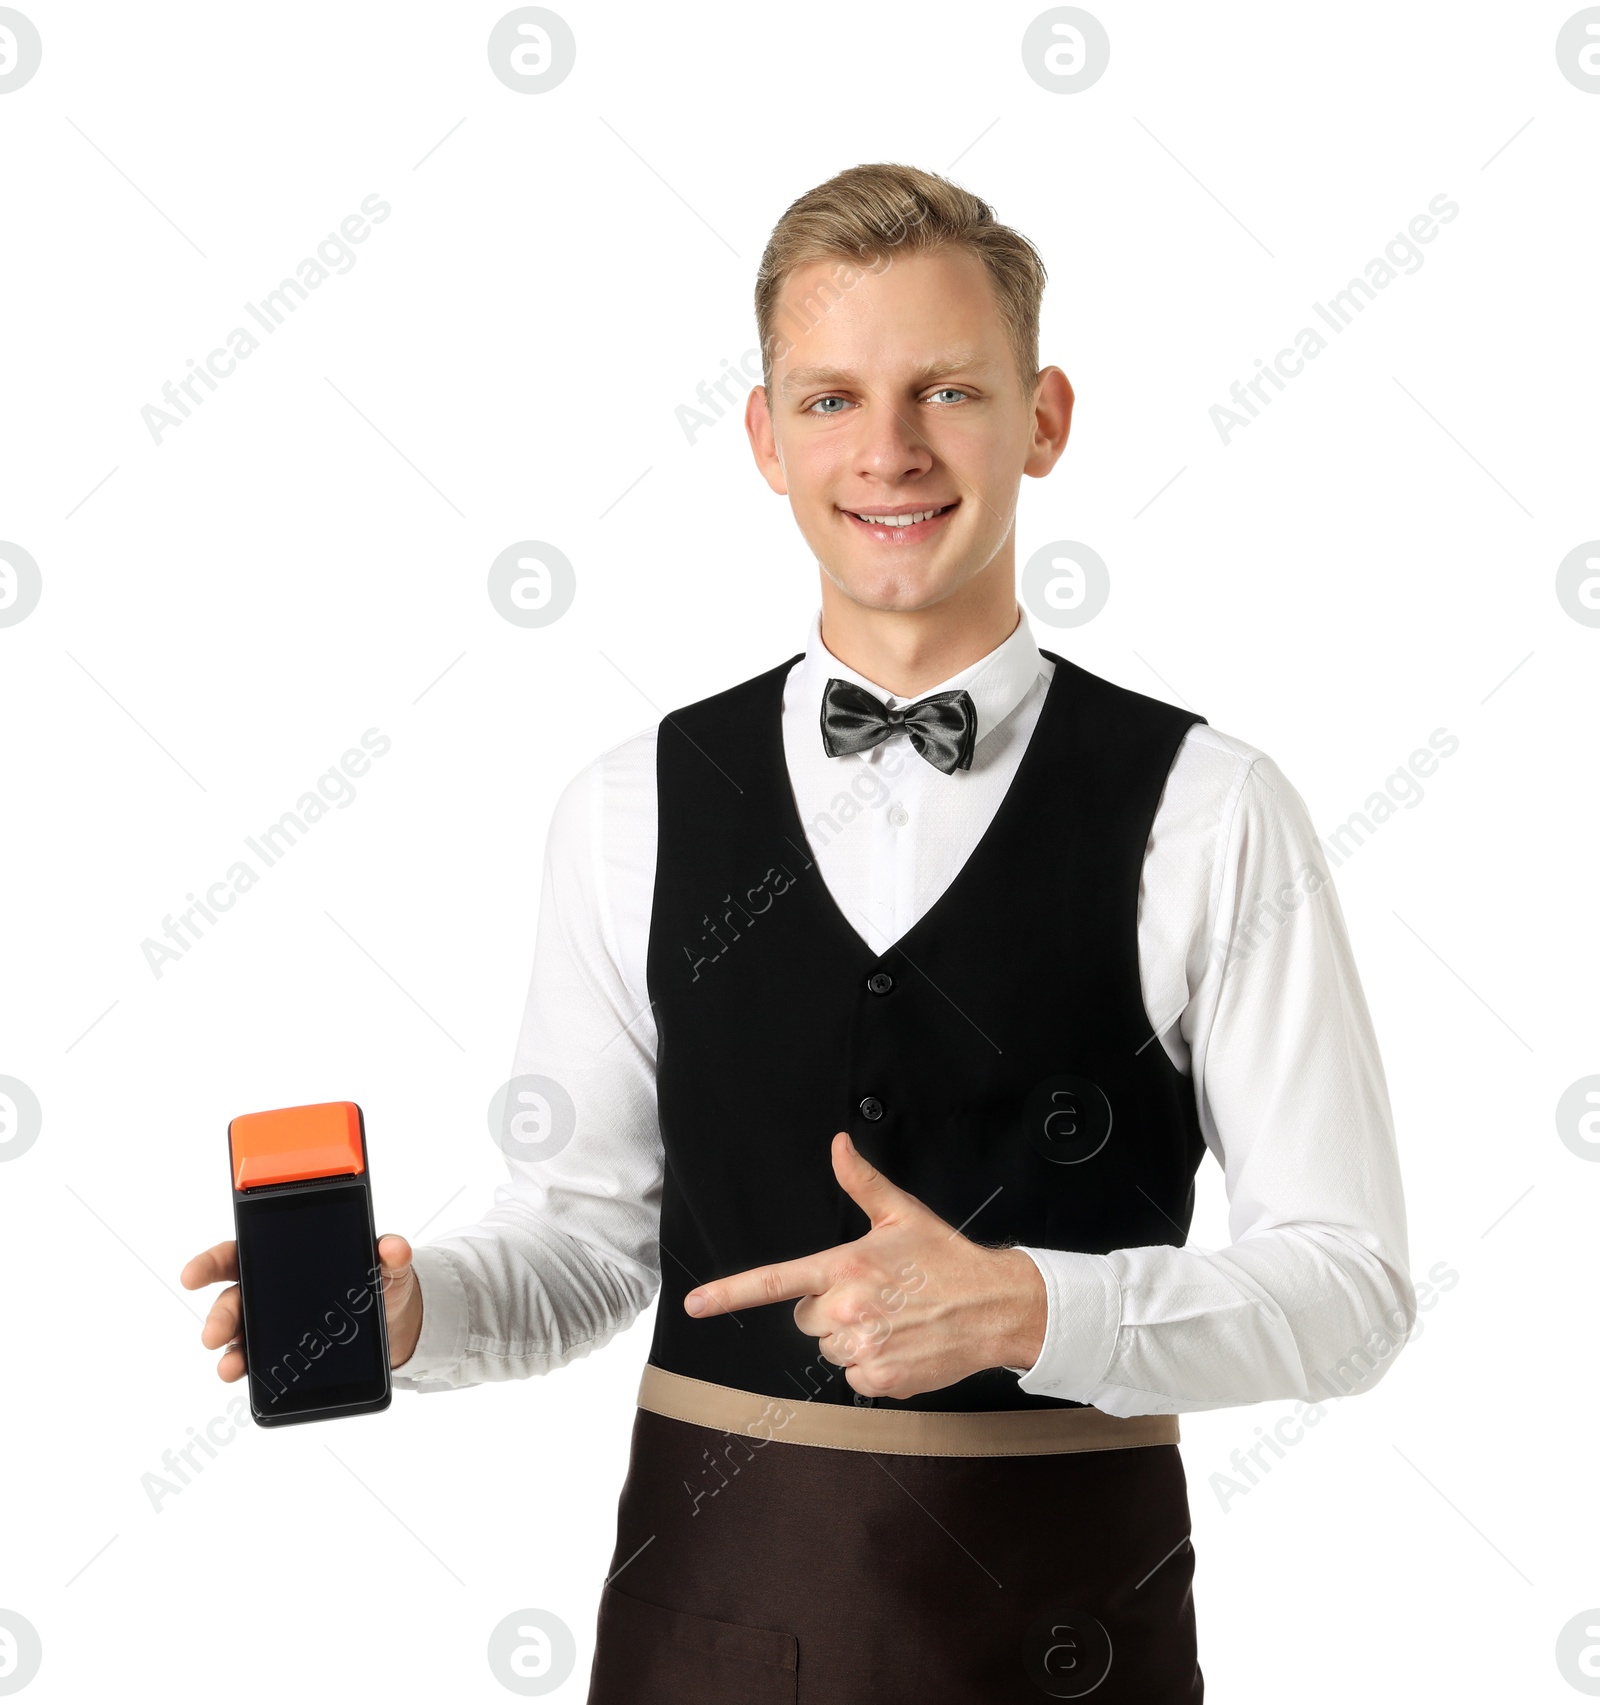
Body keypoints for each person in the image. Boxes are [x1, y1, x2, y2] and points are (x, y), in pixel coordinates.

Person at [182, 162, 1413, 1702]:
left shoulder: (1213, 811)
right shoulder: (629, 805)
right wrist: (417, 1307)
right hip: (709, 1633)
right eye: (830, 399)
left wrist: (1039, 1304)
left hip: (1073, 1643)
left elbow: (1352, 1286)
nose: (888, 450)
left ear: (1044, 418)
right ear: (765, 438)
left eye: (946, 389)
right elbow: (584, 1238)